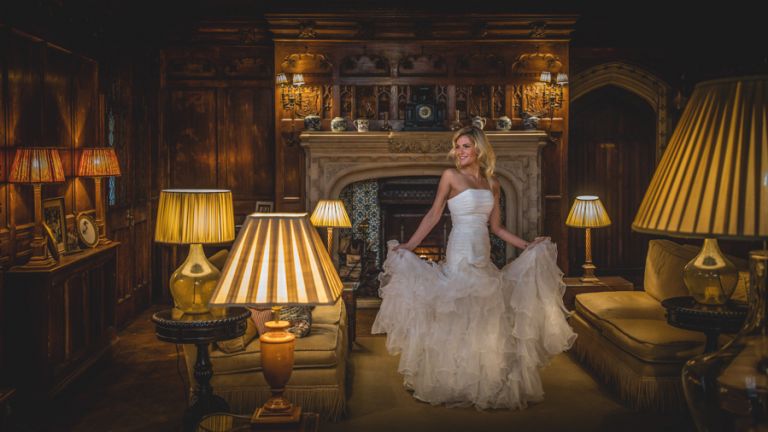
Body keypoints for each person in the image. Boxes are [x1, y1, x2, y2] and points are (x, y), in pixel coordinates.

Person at [372, 126, 576, 410]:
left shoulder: (492, 183)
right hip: (460, 249)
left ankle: (481, 378)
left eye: (465, 146)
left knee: (485, 310)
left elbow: (497, 228)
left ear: (479, 149)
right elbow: (433, 214)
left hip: (482, 251)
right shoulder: (450, 176)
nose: (459, 151)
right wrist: (410, 245)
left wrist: (528, 244)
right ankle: (452, 379)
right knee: (458, 307)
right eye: (457, 146)